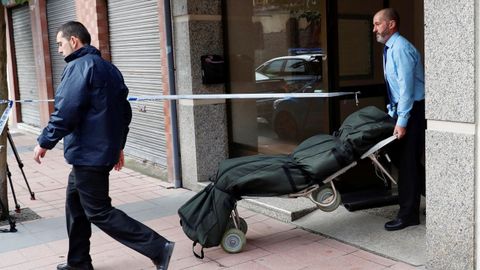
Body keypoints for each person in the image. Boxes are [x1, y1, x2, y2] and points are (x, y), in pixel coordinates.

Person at [33, 21, 174, 270]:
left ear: (74, 41)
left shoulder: (79, 67)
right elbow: (124, 112)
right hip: (96, 153)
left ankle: (157, 247)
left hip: (89, 154)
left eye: (60, 43)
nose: (58, 49)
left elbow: (66, 111)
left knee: (98, 211)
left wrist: (45, 141)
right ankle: (78, 262)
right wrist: (118, 146)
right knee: (75, 207)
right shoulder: (109, 69)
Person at [372, 8, 425, 231]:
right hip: (403, 110)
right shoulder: (390, 48)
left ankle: (408, 214)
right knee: (402, 159)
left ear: (391, 24)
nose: (374, 28)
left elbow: (406, 89)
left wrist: (402, 121)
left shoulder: (400, 48)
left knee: (406, 164)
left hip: (412, 110)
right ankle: (434, 194)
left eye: (377, 23)